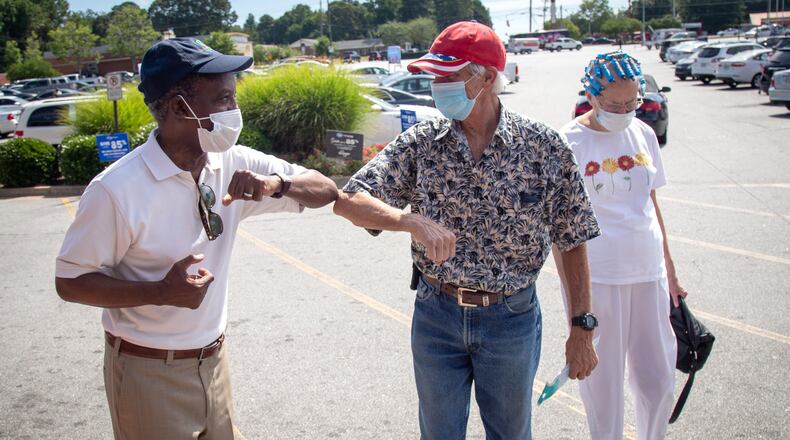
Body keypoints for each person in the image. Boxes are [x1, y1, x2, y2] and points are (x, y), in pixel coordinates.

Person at [54, 38, 338, 440]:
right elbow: (69, 282)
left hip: (214, 362)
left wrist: (276, 183)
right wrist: (160, 292)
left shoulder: (232, 161)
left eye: (233, 98)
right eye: (223, 99)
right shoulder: (116, 191)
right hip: (148, 373)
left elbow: (325, 190)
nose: (233, 112)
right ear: (176, 108)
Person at [333, 21, 602, 440]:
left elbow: (572, 239)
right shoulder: (422, 142)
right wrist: (407, 220)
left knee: (511, 434)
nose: (437, 86)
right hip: (436, 313)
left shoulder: (543, 147)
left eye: (448, 76)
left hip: (510, 317)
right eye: (435, 76)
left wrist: (582, 329)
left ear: (488, 77)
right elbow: (349, 201)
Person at [555, 51, 686, 440]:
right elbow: (560, 229)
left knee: (659, 379)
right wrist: (574, 303)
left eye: (633, 102)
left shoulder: (643, 133)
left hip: (649, 272)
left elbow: (652, 203)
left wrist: (671, 271)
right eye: (615, 104)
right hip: (600, 279)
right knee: (603, 386)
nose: (625, 110)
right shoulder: (568, 142)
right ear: (592, 95)